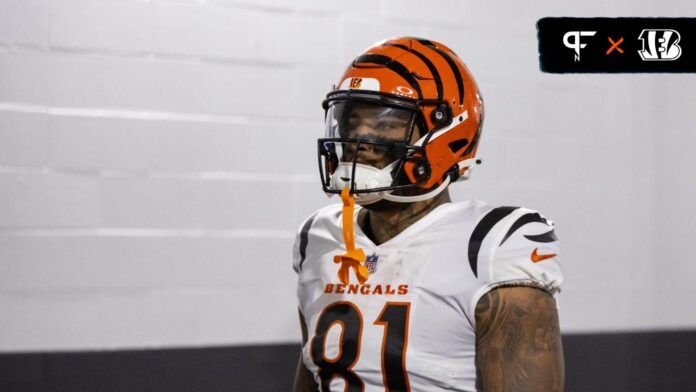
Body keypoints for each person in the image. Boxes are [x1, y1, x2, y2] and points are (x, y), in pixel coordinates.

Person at [292, 37, 564, 392]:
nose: (359, 138)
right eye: (351, 122)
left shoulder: (491, 246)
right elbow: (316, 375)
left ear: (447, 133)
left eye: (385, 124)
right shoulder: (318, 236)